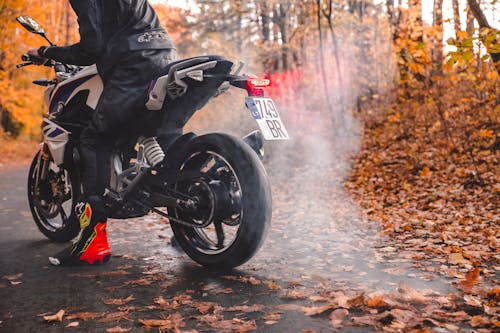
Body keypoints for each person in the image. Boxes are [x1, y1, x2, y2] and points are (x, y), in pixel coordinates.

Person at [28, 0, 178, 266]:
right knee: (159, 133)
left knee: (94, 140)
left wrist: (46, 50)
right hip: (166, 57)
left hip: (132, 64)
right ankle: (184, 225)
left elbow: (91, 48)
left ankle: (92, 241)